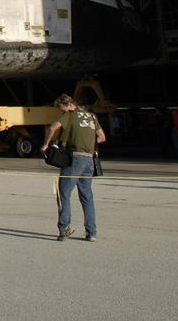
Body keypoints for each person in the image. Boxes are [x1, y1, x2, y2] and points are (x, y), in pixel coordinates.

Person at [41, 93, 105, 242]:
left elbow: (52, 128)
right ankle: (91, 232)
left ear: (69, 105)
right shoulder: (92, 117)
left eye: (62, 109)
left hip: (75, 158)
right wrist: (88, 142)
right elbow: (102, 137)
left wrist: (45, 145)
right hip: (89, 159)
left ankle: (64, 228)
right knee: (87, 196)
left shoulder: (70, 115)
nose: (62, 113)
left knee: (63, 193)